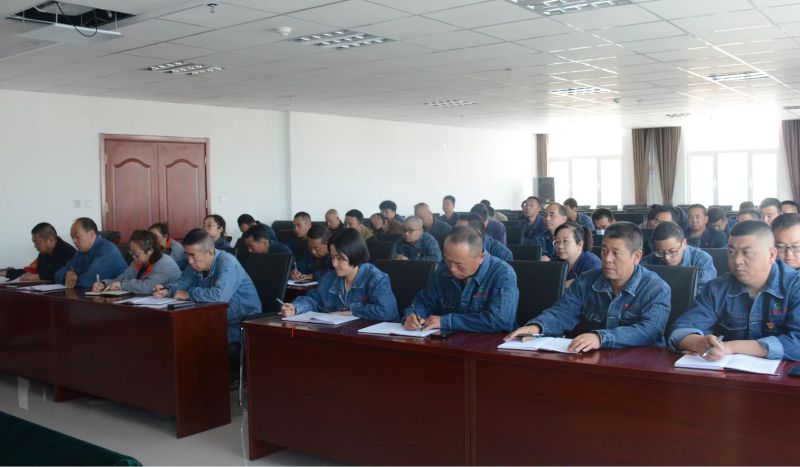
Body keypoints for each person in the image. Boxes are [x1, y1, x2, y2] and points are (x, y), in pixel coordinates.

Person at [505, 222, 671, 352]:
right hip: (596, 360)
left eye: (615, 253)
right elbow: (562, 312)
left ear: (636, 256)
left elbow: (650, 330)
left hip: (640, 364)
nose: (607, 259)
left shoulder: (656, 288)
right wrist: (537, 327)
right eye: (604, 250)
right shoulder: (587, 281)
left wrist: (600, 338)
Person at [668, 220, 800, 361]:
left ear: (772, 255)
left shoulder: (794, 286)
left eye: (746, 252)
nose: (737, 260)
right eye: (731, 252)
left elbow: (797, 342)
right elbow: (680, 330)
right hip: (726, 372)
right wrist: (699, 342)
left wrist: (733, 347)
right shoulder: (717, 288)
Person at [402, 226, 519, 333]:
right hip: (448, 342)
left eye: (460, 265)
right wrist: (412, 315)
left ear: (480, 258)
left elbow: (500, 322)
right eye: (447, 260)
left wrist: (447, 322)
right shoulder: (443, 272)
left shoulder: (503, 274)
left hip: (491, 344)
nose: (452, 269)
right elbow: (423, 302)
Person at [154, 229, 261, 344]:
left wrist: (189, 294)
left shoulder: (227, 263)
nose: (189, 261)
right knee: (172, 333)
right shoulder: (195, 263)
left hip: (241, 323)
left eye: (193, 255)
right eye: (187, 254)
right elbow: (182, 283)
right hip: (214, 318)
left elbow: (219, 296)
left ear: (209, 253)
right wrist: (167, 290)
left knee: (189, 338)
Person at [280, 228, 399, 322]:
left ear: (355, 254)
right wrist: (295, 308)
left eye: (340, 258)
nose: (334, 264)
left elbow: (387, 311)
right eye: (332, 257)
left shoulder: (376, 278)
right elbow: (314, 299)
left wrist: (353, 311)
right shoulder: (330, 277)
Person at [92, 229, 181, 295]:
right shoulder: (138, 262)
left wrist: (122, 285)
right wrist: (104, 284)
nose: (133, 257)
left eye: (137, 254)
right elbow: (122, 278)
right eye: (131, 253)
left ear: (150, 251)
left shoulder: (165, 263)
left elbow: (147, 287)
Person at [641, 221, 717, 294]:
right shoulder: (648, 262)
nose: (666, 257)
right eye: (660, 252)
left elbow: (704, 295)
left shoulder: (703, 260)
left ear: (684, 244)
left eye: (672, 252)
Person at [54, 218, 127, 289]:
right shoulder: (81, 252)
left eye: (77, 237)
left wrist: (73, 278)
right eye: (72, 238)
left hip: (118, 293)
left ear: (91, 234)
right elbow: (57, 274)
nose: (74, 241)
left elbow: (88, 282)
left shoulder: (107, 250)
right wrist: (68, 273)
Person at [0, 222, 75, 282]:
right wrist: (5, 273)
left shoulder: (67, 252)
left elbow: (59, 275)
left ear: (50, 240)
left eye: (36, 242)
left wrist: (37, 277)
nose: (35, 246)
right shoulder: (43, 254)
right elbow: (30, 272)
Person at [552, 222, 600, 287]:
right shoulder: (554, 262)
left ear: (580, 244)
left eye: (565, 241)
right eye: (557, 241)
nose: (560, 246)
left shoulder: (593, 263)